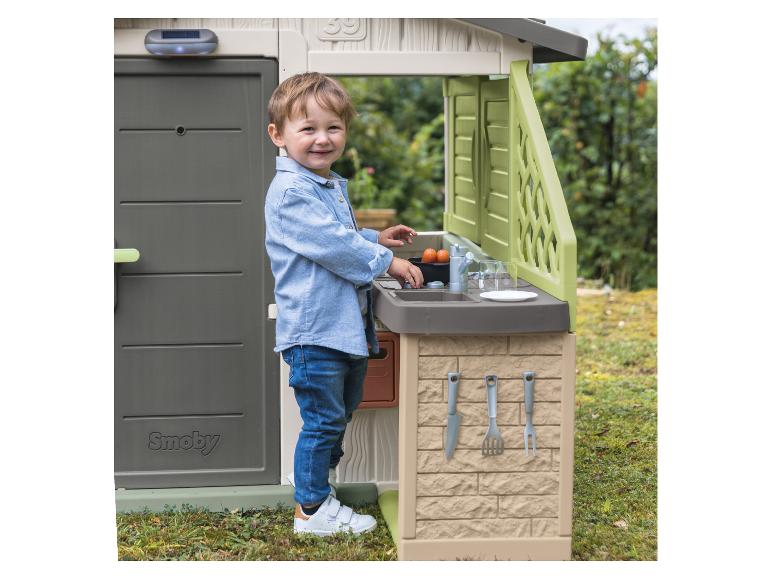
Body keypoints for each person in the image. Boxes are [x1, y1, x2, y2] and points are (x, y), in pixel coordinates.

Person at [264, 72, 424, 536]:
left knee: (336, 418)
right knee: (322, 422)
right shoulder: (293, 192)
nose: (322, 138)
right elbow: (333, 246)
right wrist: (386, 260)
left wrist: (375, 237)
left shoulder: (323, 184)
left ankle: (318, 490)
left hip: (340, 329)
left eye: (332, 128)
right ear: (278, 135)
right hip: (315, 332)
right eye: (307, 129)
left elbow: (335, 236)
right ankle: (310, 511)